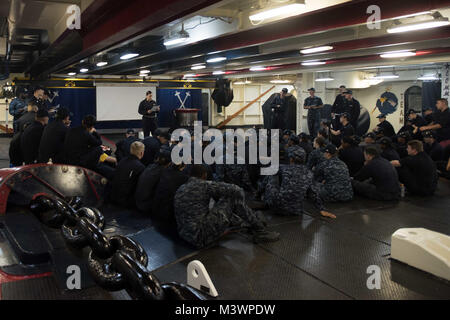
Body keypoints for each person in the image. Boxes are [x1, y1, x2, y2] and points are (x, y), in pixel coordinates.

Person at [174, 164, 280, 249]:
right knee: (232, 198)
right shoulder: (205, 185)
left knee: (221, 206)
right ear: (204, 175)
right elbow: (237, 190)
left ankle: (249, 223)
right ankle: (260, 230)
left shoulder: (181, 188)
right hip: (201, 237)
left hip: (185, 237)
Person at [259, 145, 336, 218]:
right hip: (295, 210)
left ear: (291, 159)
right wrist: (321, 209)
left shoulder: (282, 168)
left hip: (276, 208)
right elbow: (312, 193)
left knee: (272, 174)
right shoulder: (309, 173)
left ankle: (259, 198)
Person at [135, 148, 171, 213]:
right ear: (169, 163)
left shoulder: (150, 166)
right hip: (147, 206)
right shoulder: (163, 173)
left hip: (138, 202)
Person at [110, 141, 146, 207]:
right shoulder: (140, 167)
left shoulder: (122, 161)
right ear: (142, 153)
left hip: (114, 196)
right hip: (127, 202)